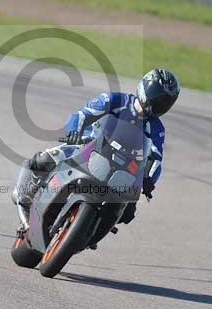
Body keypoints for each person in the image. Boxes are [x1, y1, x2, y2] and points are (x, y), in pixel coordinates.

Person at [12, 68, 180, 227]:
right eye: (158, 97)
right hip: (88, 148)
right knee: (42, 160)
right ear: (145, 88)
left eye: (165, 101)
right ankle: (25, 196)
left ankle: (91, 229)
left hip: (124, 169)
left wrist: (149, 179)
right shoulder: (115, 100)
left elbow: (156, 158)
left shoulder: (157, 128)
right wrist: (74, 131)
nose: (160, 103)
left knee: (128, 211)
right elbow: (82, 114)